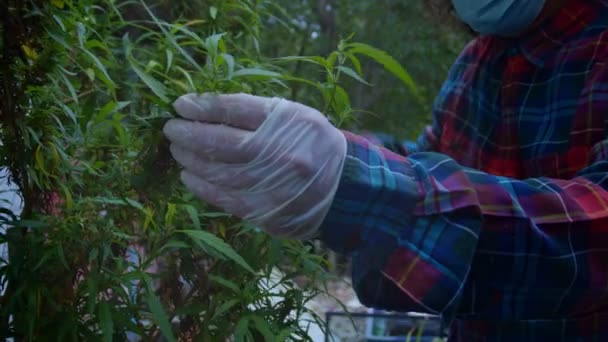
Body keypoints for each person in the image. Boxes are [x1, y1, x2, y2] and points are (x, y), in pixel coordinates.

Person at [162, 0, 608, 340]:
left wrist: (362, 189)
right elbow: (431, 161)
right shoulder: (478, 62)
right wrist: (341, 151)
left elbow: (593, 239)